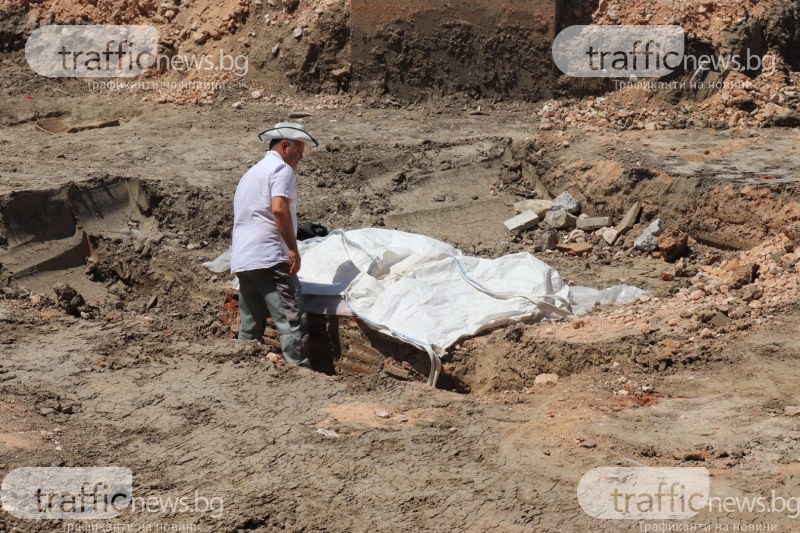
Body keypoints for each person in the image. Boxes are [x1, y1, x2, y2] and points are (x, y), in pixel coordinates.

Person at [231, 122, 319, 366]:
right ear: (284, 145)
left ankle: (244, 368)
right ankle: (300, 374)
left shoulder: (251, 173)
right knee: (292, 320)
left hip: (243, 258)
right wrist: (292, 248)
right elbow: (279, 210)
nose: (302, 155)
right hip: (269, 257)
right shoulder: (281, 170)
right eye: (299, 149)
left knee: (249, 323)